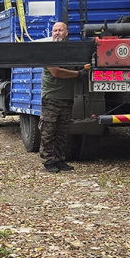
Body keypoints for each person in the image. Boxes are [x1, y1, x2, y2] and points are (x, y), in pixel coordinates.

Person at [39, 21, 87, 173]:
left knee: (62, 132)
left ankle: (59, 160)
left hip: (67, 97)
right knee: (48, 131)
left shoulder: (69, 51)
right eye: (55, 30)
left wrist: (85, 67)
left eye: (60, 30)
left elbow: (79, 65)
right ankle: (48, 161)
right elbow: (56, 72)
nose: (57, 33)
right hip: (51, 97)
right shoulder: (48, 51)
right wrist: (78, 74)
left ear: (66, 33)